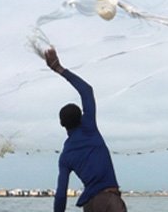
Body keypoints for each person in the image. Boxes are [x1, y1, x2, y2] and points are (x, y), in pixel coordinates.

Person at [44, 47, 126, 212]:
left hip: (90, 205)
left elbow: (61, 194)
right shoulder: (88, 127)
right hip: (110, 200)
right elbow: (86, 91)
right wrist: (59, 68)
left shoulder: (65, 156)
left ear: (62, 124)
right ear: (81, 117)